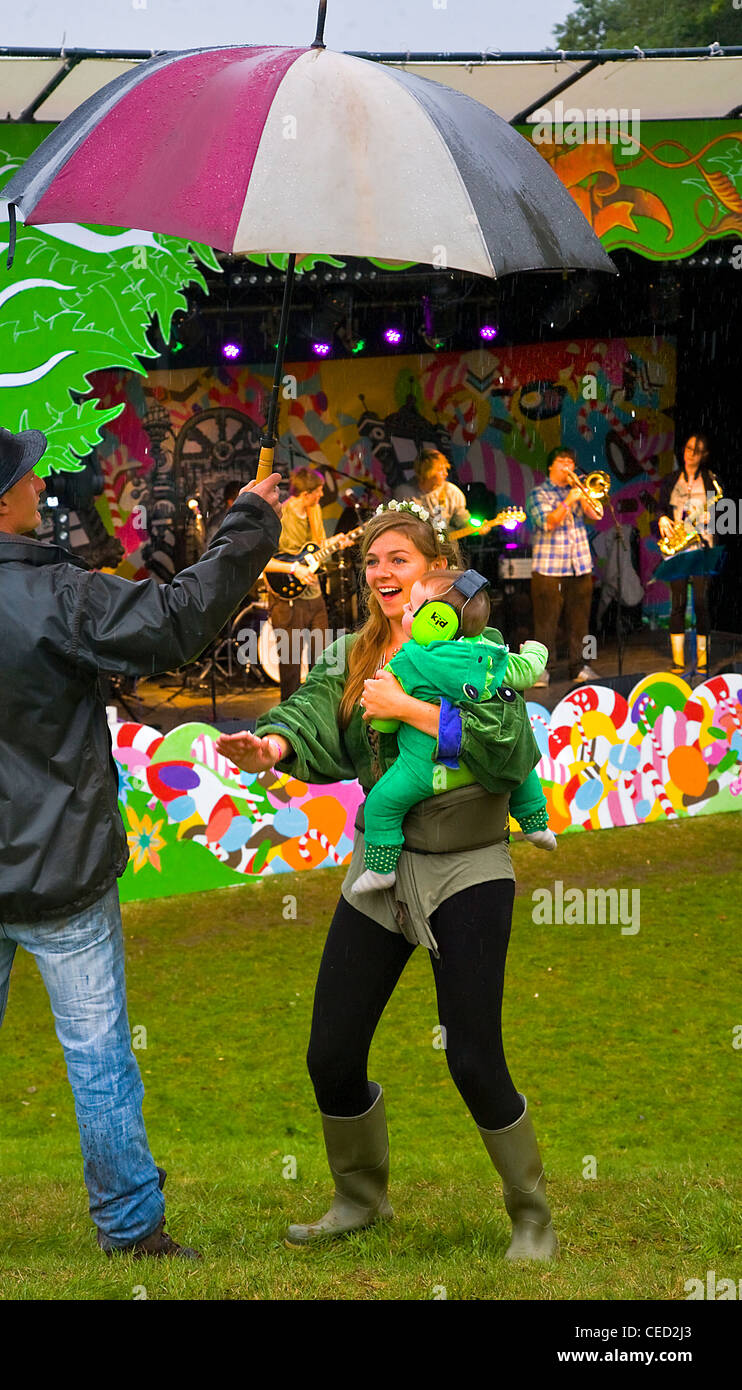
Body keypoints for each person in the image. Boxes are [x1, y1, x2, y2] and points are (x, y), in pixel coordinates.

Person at [0, 417, 281, 1263]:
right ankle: (131, 1232)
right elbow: (179, 619)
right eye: (25, 476)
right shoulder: (61, 592)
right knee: (96, 1057)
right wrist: (248, 525)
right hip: (65, 880)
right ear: (2, 499)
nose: (38, 484)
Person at [216, 507, 558, 1261]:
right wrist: (270, 743)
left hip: (470, 866)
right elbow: (312, 713)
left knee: (472, 1056)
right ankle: (358, 1199)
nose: (383, 575)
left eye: (399, 560)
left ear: (437, 570)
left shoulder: (478, 650)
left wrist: (412, 710)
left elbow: (511, 747)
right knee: (330, 1054)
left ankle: (532, 1218)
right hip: (382, 868)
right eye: (373, 562)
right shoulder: (353, 653)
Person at [349, 562, 555, 895]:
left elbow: (385, 723)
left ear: (436, 623)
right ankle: (536, 826)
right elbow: (527, 672)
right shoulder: (488, 654)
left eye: (412, 608)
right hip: (481, 765)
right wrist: (535, 648)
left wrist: (376, 712)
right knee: (520, 762)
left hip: (425, 771)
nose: (405, 611)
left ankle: (380, 868)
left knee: (383, 803)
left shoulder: (406, 660)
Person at [526, 446, 602, 687]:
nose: (568, 466)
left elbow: (598, 514)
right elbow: (548, 522)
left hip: (579, 566)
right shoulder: (538, 493)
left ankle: (580, 666)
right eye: (562, 462)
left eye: (570, 462)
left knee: (580, 621)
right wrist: (569, 500)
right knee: (546, 623)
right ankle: (542, 671)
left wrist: (584, 493)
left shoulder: (577, 491)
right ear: (551, 466)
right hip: (549, 570)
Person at [263, 466, 332, 701]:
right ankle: (289, 720)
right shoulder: (280, 515)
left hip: (314, 595)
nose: (321, 495)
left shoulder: (315, 510)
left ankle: (317, 710)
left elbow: (319, 550)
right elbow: (262, 561)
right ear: (306, 493)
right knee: (290, 665)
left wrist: (336, 543)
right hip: (287, 599)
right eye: (319, 491)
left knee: (321, 659)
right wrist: (294, 568)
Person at [656, 433, 722, 675]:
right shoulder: (671, 479)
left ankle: (703, 660)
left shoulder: (711, 480)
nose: (690, 452)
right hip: (678, 547)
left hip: (702, 546)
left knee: (702, 604)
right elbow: (660, 507)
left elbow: (725, 514)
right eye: (688, 447)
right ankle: (678, 661)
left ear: (703, 455)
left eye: (696, 449)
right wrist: (662, 517)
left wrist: (713, 517)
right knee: (678, 604)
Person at [394, 445, 471, 535]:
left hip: (444, 547)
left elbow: (462, 521)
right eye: (440, 470)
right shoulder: (404, 493)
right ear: (427, 472)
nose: (445, 473)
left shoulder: (452, 492)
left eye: (445, 469)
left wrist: (475, 528)